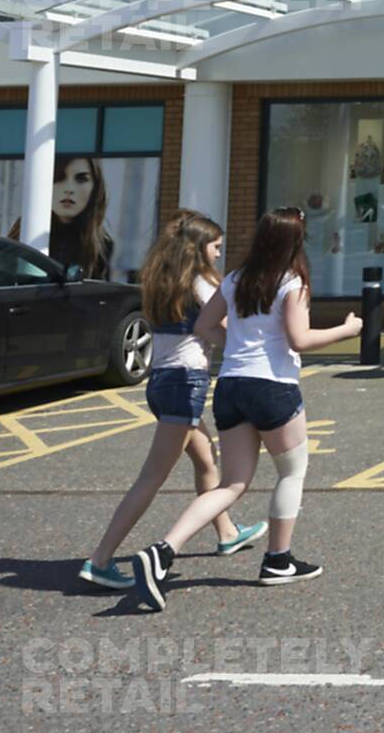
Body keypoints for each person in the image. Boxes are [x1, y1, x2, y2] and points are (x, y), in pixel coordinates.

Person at [129, 207, 360, 612]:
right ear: (295, 242)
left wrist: (235, 346)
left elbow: (203, 327)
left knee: (231, 484)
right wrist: (347, 330)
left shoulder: (235, 279)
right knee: (291, 471)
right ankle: (277, 561)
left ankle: (163, 551)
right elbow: (299, 339)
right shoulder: (292, 282)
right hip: (273, 386)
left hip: (231, 386)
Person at [78, 210, 265, 589]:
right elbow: (222, 330)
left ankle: (227, 533)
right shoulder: (201, 284)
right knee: (151, 477)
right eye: (215, 247)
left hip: (161, 381)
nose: (218, 254)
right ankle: (99, 560)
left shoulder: (161, 280)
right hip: (184, 384)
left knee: (206, 458)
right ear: (197, 249)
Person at [8, 154, 115, 280]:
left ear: (95, 187)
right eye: (59, 178)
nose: (69, 189)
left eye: (81, 179)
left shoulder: (101, 244)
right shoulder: (25, 232)